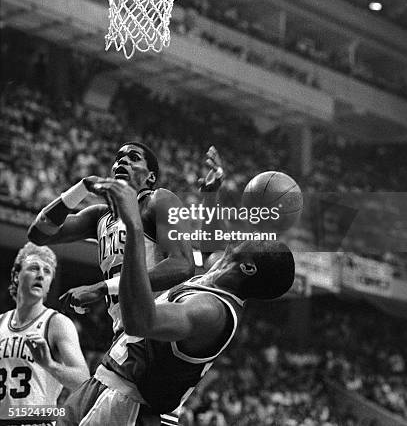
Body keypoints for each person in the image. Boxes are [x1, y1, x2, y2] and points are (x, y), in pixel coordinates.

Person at [57, 177, 295, 425]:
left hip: (125, 403)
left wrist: (134, 227)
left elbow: (139, 322)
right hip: (109, 382)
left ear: (247, 267)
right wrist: (211, 196)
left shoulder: (210, 310)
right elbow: (209, 246)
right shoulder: (217, 276)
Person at [28, 141, 196, 335]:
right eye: (118, 159)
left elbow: (183, 264)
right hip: (125, 329)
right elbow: (39, 234)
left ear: (150, 177)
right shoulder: (99, 216)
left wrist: (103, 288)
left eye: (133, 158)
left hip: (160, 321)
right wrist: (82, 187)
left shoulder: (160, 200)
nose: (122, 161)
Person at [0, 242, 89, 426]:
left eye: (47, 271)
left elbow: (83, 382)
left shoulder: (57, 323)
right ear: (16, 275)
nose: (41, 274)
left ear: (49, 285)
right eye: (34, 268)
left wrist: (49, 365)